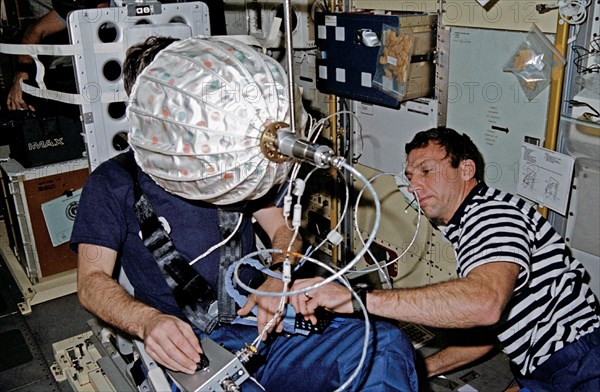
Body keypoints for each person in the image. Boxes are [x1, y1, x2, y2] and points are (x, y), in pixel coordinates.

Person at [70, 36, 418, 391]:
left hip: (263, 322)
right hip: (189, 346)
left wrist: (276, 275)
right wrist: (147, 322)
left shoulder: (234, 161)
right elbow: (92, 282)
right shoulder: (112, 183)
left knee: (382, 347)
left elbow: (284, 231)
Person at [291, 126, 600, 391]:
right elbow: (491, 329)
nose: (415, 185)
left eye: (427, 170)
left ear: (466, 170)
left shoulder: (493, 216)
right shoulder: (471, 223)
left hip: (581, 364)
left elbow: (485, 304)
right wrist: (421, 368)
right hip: (547, 369)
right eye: (410, 176)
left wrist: (356, 300)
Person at [6, 0, 227, 111]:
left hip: (179, 86)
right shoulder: (83, 7)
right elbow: (36, 32)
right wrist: (21, 75)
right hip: (117, 93)